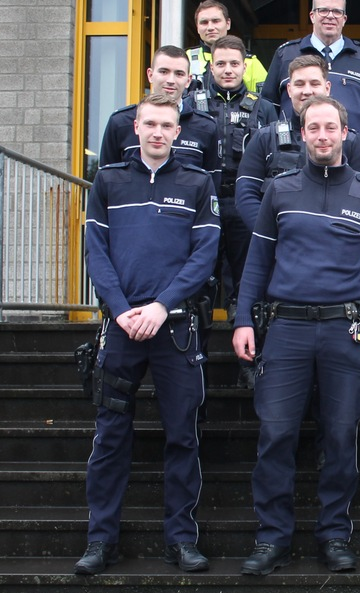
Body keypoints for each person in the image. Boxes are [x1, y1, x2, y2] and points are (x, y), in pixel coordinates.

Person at [231, 95, 360, 576]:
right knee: (276, 434)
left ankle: (335, 534)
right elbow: (257, 261)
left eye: (331, 128)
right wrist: (242, 319)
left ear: (346, 134)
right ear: (302, 134)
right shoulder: (279, 191)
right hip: (287, 329)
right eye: (313, 128)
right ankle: (271, 537)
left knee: (342, 436)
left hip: (348, 331)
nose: (323, 135)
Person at [76, 93, 221, 576]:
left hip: (176, 330)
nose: (158, 132)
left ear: (178, 132)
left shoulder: (197, 184)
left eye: (167, 125)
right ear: (134, 128)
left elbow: (204, 255)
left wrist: (162, 306)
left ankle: (181, 540)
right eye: (150, 124)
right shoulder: (109, 181)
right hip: (120, 331)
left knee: (183, 436)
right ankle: (101, 541)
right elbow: (96, 251)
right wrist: (120, 310)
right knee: (111, 436)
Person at [190, 34, 277, 315]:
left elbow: (276, 157)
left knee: (246, 280)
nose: (228, 70)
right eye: (221, 64)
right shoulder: (193, 104)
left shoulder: (263, 108)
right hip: (202, 204)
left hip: (244, 203)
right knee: (199, 279)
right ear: (211, 67)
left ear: (244, 67)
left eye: (234, 64)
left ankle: (247, 354)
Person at [236, 54, 360, 230]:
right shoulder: (265, 138)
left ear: (327, 88)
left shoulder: (351, 141)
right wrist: (270, 236)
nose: (307, 91)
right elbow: (246, 195)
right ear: (289, 89)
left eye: (314, 83)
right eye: (299, 84)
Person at [261, 0, 360, 142]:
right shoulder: (286, 55)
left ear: (344, 18)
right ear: (312, 16)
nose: (330, 16)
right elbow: (267, 107)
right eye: (323, 10)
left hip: (354, 157)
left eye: (336, 11)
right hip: (294, 153)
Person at [97, 46, 218, 173]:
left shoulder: (205, 127)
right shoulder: (120, 122)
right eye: (164, 72)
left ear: (188, 80)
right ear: (150, 75)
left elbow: (210, 186)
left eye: (179, 74)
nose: (171, 80)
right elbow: (106, 180)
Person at [187, 0, 268, 92]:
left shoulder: (250, 62)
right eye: (204, 22)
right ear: (197, 27)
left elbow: (264, 101)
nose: (210, 27)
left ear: (228, 23)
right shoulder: (185, 58)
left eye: (216, 21)